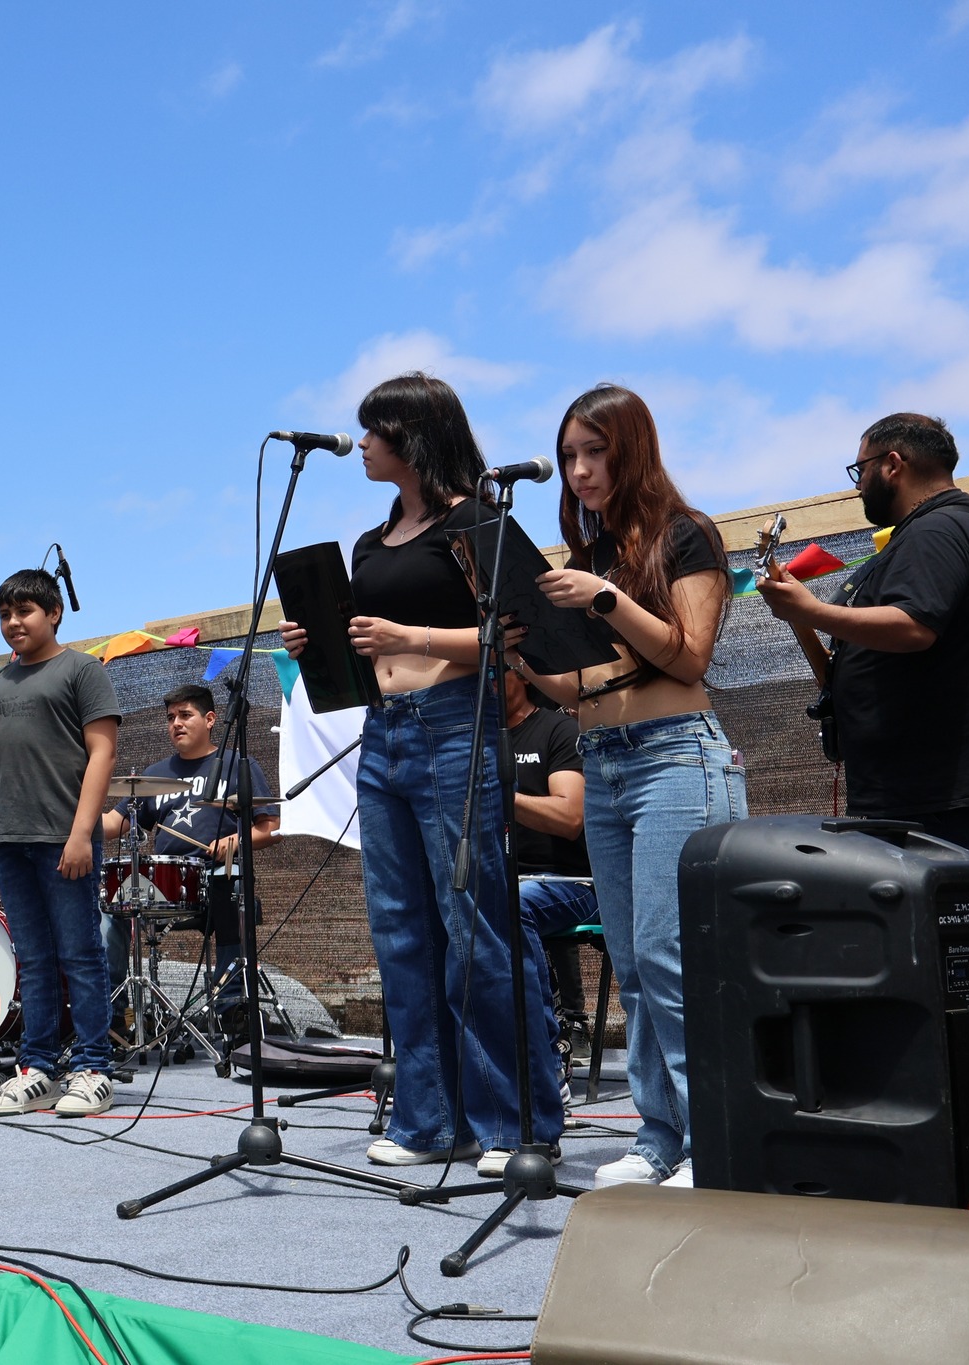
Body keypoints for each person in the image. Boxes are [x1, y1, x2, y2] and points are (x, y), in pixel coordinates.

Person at [279, 371, 564, 1173]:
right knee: (401, 932)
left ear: (414, 436)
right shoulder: (370, 543)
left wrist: (411, 637)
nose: (364, 444)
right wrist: (319, 645)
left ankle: (515, 1124)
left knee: (474, 927)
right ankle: (428, 1120)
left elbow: (518, 635)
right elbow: (365, 643)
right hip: (383, 732)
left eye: (376, 430)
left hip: (453, 725)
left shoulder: (475, 521)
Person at [510, 383, 746, 1190]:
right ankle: (659, 1135)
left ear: (631, 449)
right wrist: (518, 651)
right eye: (568, 457)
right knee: (636, 962)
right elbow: (575, 688)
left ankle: (713, 1139)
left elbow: (690, 653)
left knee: (671, 955)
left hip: (675, 755)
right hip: (604, 756)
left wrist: (606, 599)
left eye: (594, 452)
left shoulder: (686, 534)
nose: (578, 471)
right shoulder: (588, 558)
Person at [756, 414, 969, 865]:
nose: (857, 487)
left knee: (940, 907)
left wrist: (810, 610)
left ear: (891, 465)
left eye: (860, 470)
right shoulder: (942, 530)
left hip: (936, 794)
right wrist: (798, 615)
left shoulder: (937, 530)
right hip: (920, 791)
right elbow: (842, 670)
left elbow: (913, 627)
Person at [0, 569, 121, 1118]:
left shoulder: (82, 670)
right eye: (4, 614)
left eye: (24, 611)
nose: (13, 622)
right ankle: (38, 1070)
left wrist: (81, 834)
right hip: (8, 837)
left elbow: (103, 753)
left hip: (63, 837)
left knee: (80, 953)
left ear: (53, 613)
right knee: (31, 959)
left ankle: (94, 1068)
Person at [97, 683, 280, 1027]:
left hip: (215, 877)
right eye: (170, 718)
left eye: (185, 715)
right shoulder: (154, 774)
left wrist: (236, 840)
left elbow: (270, 828)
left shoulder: (235, 765)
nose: (176, 723)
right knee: (110, 904)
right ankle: (112, 1016)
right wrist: (76, 821)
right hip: (162, 885)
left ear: (210, 719)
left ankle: (230, 1007)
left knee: (233, 888)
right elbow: (113, 823)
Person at [502, 666, 595, 1099]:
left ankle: (546, 1061)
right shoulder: (473, 741)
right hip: (505, 880)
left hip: (573, 882)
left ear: (522, 675)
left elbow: (569, 817)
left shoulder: (558, 730)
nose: (483, 682)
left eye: (494, 671)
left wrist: (501, 797)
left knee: (511, 903)